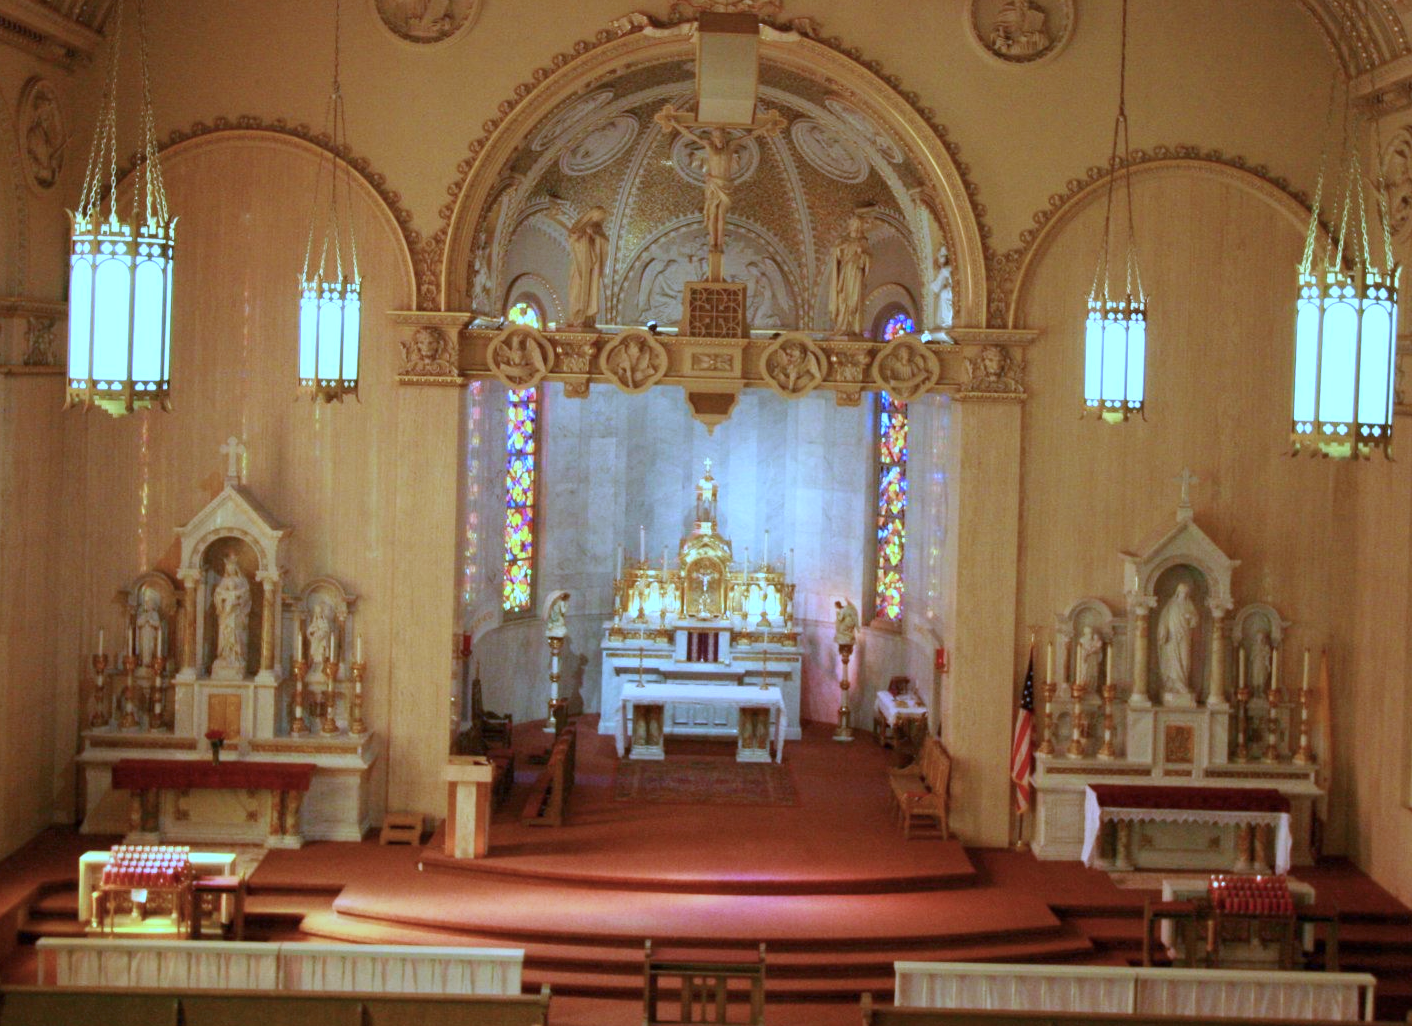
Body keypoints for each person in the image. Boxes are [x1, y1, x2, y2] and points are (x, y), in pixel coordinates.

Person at [654, 105, 786, 267]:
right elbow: (690, 135)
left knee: (721, 214)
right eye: (716, 136)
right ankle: (712, 243)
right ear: (713, 137)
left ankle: (719, 243)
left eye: (721, 136)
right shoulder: (708, 146)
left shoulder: (731, 146)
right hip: (714, 184)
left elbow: (750, 135)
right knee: (712, 212)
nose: (719, 139)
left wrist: (766, 126)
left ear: (724, 136)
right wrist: (675, 124)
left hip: (725, 185)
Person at [566, 206, 609, 328]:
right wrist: (583, 236)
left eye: (602, 219)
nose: (600, 221)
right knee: (576, 290)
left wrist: (594, 236)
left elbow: (604, 244)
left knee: (588, 292)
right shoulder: (578, 228)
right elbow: (573, 239)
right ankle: (576, 316)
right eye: (599, 217)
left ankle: (586, 317)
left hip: (591, 271)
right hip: (580, 266)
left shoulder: (598, 231)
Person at [828, 213, 872, 335]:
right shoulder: (843, 241)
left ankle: (855, 328)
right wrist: (839, 249)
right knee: (843, 299)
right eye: (853, 224)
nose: (856, 227)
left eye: (858, 225)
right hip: (845, 273)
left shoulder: (863, 242)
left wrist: (862, 255)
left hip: (856, 274)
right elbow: (836, 257)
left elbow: (868, 260)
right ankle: (842, 326)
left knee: (855, 301)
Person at [1157, 582, 1200, 702]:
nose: (1184, 595)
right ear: (1178, 592)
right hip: (1172, 638)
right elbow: (1163, 620)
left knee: (1185, 660)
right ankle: (1173, 685)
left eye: (1186, 593)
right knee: (1172, 660)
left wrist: (1190, 617)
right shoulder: (1171, 605)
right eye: (1182, 592)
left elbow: (1195, 620)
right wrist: (1163, 632)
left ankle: (1183, 684)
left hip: (1185, 637)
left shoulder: (1189, 604)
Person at [212, 554, 252, 672]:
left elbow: (247, 596)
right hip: (226, 614)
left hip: (238, 614)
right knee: (225, 634)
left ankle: (236, 656)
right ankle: (225, 656)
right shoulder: (224, 580)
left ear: (236, 567)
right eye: (228, 567)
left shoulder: (242, 581)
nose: (230, 569)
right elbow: (217, 595)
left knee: (237, 635)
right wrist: (224, 599)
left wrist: (238, 600)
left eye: (232, 567)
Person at [136, 592, 162, 667]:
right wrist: (144, 621)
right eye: (147, 604)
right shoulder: (143, 614)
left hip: (151, 634)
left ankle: (150, 662)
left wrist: (150, 621)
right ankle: (144, 662)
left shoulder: (155, 614)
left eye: (150, 604)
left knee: (150, 647)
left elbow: (158, 623)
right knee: (144, 648)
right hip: (144, 634)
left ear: (152, 606)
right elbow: (138, 623)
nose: (148, 606)